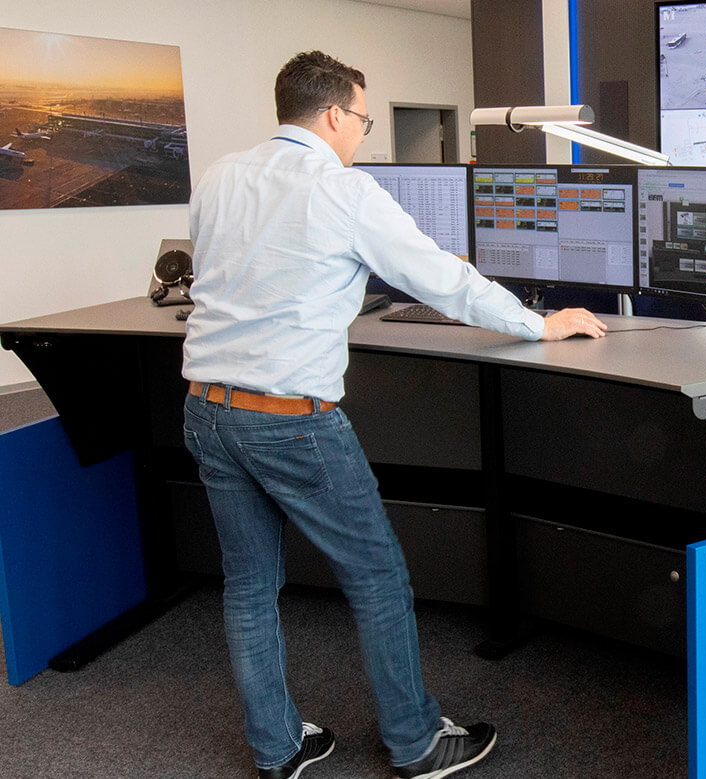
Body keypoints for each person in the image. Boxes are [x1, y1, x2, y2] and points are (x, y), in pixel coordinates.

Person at [181, 50, 606, 779]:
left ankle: (276, 747)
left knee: (249, 585)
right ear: (335, 115)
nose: (361, 135)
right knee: (377, 577)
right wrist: (542, 324)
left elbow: (225, 272)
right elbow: (445, 281)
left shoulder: (221, 174)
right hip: (292, 419)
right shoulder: (344, 190)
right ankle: (415, 744)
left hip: (207, 409)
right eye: (362, 119)